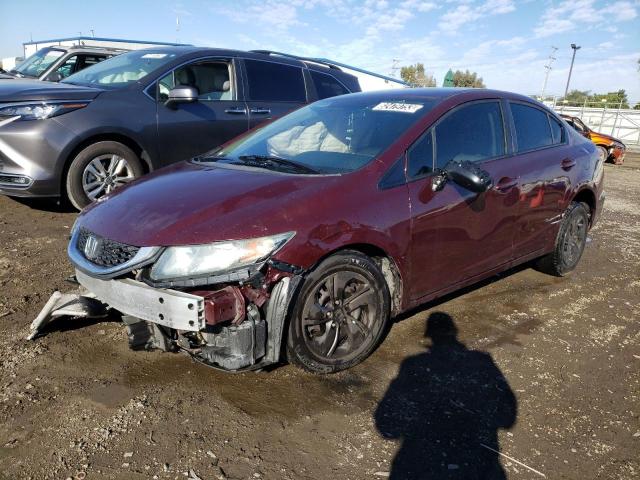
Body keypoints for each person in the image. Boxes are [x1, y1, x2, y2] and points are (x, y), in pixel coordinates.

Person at [375, 312, 517, 479]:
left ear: (429, 336)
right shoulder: (482, 361)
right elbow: (507, 417)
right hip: (474, 464)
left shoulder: (412, 365)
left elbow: (386, 426)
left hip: (423, 464)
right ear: (454, 333)